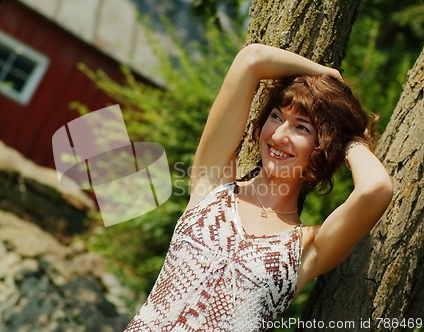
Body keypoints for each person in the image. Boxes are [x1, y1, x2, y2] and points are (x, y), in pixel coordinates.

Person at [124, 44, 393, 331]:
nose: (278, 135)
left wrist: (350, 139)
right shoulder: (211, 185)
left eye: (301, 128)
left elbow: (376, 189)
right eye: (276, 116)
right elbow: (252, 59)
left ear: (321, 148)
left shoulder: (306, 247)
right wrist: (327, 74)